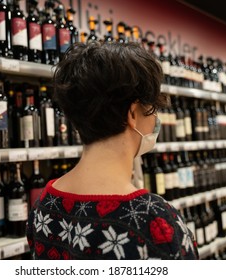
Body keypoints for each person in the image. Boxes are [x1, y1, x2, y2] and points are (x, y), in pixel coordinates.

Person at [26, 41, 199, 260]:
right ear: (133, 113)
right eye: (153, 109)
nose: (156, 119)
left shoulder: (43, 204)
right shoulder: (154, 220)